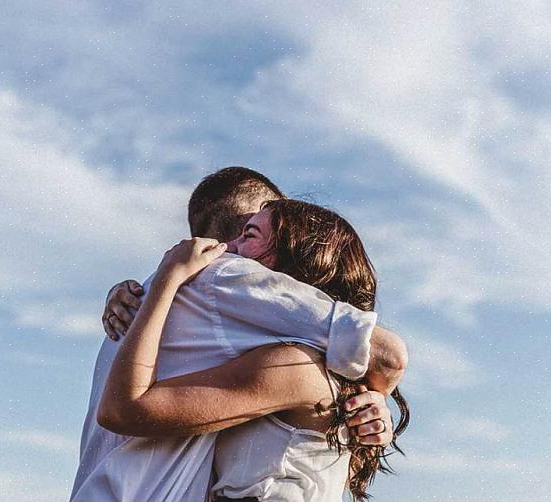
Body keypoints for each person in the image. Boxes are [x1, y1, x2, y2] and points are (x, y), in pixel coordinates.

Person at [70, 167, 407, 501]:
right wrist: (373, 396)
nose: (227, 247)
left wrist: (369, 403)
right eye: (248, 229)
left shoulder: (290, 361)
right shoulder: (227, 280)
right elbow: (387, 355)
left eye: (250, 235)